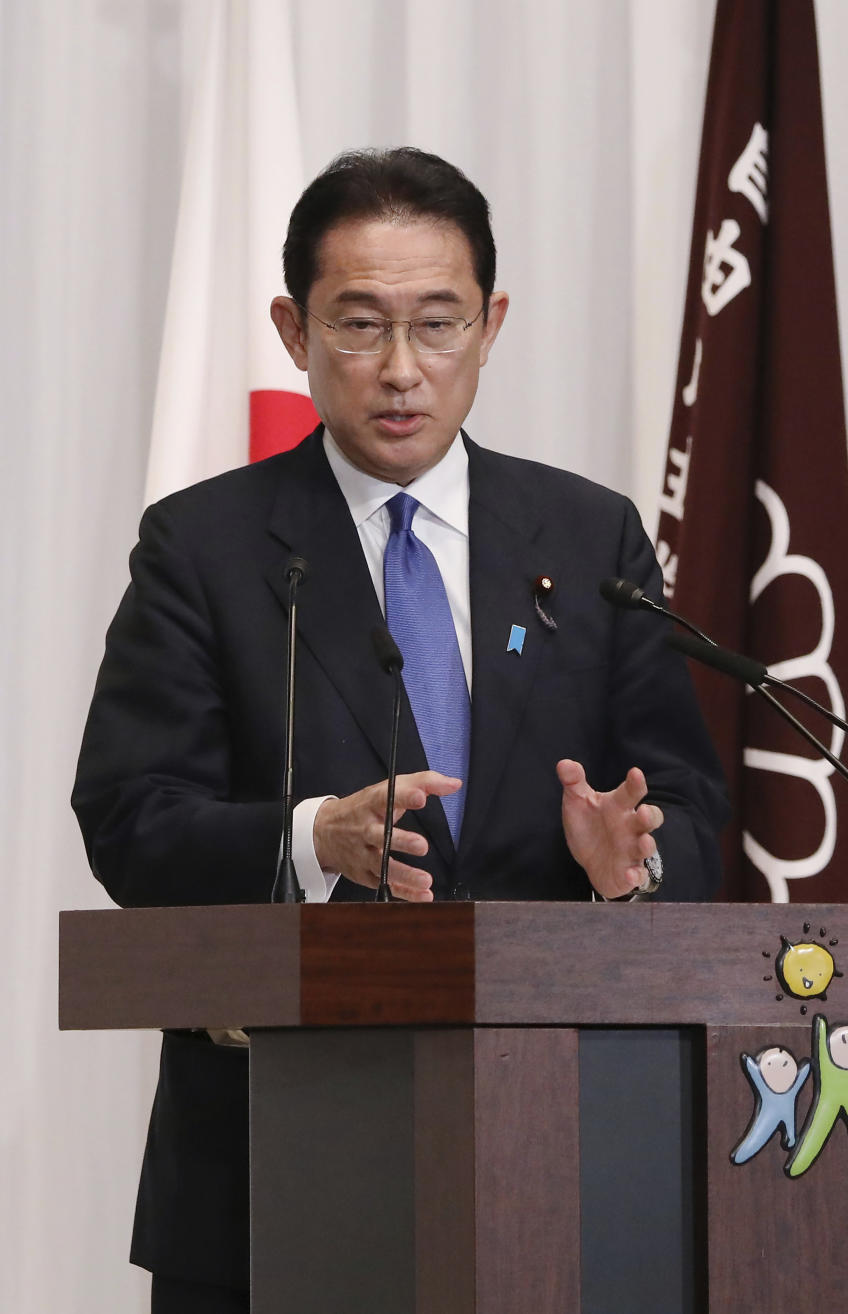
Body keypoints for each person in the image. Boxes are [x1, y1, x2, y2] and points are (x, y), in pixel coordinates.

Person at [72, 147, 728, 1313]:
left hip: (564, 1157)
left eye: (439, 324)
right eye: (361, 326)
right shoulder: (205, 549)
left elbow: (683, 799)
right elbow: (129, 819)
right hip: (274, 1168)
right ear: (293, 329)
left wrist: (635, 864)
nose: (401, 372)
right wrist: (312, 837)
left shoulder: (589, 541)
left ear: (493, 322)